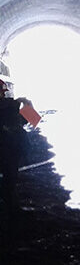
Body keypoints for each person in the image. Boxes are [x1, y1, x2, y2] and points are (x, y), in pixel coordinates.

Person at [0, 79, 28, 211]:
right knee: (10, 179)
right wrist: (28, 104)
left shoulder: (11, 105)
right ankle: (11, 207)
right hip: (11, 148)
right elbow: (30, 120)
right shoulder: (10, 106)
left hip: (9, 148)